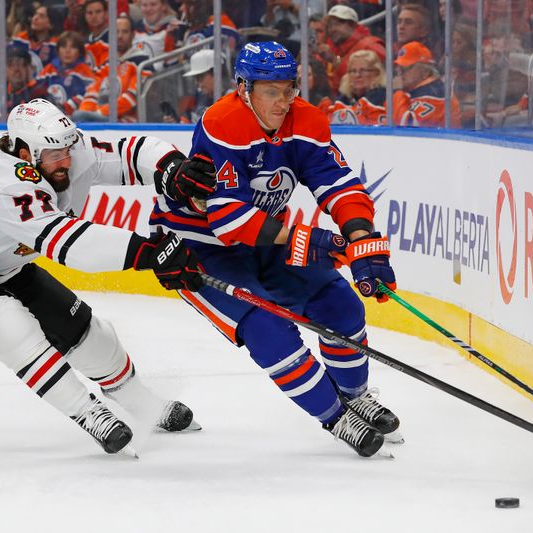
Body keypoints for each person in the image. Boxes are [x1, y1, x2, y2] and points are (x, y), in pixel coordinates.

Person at [0, 98, 216, 455]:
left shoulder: (60, 150)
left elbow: (129, 151)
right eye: (54, 156)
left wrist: (171, 168)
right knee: (6, 320)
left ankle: (140, 402)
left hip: (5, 266)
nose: (66, 161)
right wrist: (148, 252)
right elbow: (70, 244)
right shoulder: (3, 185)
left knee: (90, 336)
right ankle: (88, 412)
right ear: (24, 152)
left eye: (67, 149)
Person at [150, 41, 400, 458]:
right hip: (199, 248)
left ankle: (355, 397)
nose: (283, 101)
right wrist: (316, 240)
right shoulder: (223, 121)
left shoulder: (307, 119)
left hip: (264, 236)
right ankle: (337, 417)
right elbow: (227, 219)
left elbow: (337, 182)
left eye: (289, 89)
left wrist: (361, 239)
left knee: (340, 304)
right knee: (268, 330)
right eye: (271, 91)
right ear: (243, 89)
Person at [318, 4, 386, 92]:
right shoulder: (333, 51)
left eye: (337, 24)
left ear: (352, 25)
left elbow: (381, 80)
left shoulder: (370, 45)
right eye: (330, 25)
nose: (332, 29)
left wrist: (335, 61)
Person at [393, 41, 461, 128]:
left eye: (405, 68)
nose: (400, 73)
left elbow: (408, 128)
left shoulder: (434, 95)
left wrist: (397, 93)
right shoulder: (418, 91)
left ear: (425, 72)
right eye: (399, 69)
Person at [35, 31, 98, 116]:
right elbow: (35, 89)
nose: (67, 51)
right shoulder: (49, 69)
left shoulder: (85, 72)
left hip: (73, 118)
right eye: (63, 47)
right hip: (47, 116)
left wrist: (66, 107)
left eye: (73, 47)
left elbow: (89, 95)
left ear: (79, 51)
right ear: (58, 50)